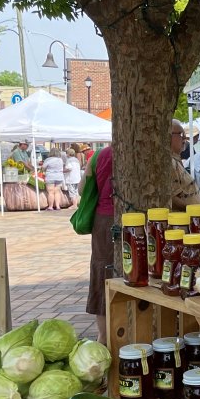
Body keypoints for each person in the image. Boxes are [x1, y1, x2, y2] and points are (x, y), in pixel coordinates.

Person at [87, 145, 115, 343]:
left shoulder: (99, 155)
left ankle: (103, 336)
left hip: (103, 220)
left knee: (102, 272)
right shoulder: (144, 152)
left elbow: (82, 189)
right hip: (135, 219)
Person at [169, 119, 200, 210]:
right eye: (181, 134)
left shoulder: (175, 160)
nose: (185, 138)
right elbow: (170, 197)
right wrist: (192, 211)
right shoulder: (169, 163)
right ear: (168, 136)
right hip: (183, 219)